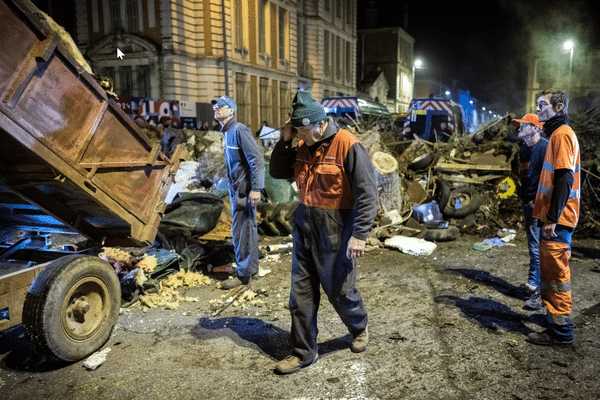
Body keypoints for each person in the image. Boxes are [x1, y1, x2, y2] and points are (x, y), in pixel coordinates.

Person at [269, 91, 378, 374]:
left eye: (303, 130)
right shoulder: (304, 145)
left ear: (319, 123)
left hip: (336, 230)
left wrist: (360, 234)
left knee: (340, 292)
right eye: (298, 131)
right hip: (305, 226)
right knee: (300, 295)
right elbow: (279, 170)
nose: (301, 136)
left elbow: (368, 194)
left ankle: (359, 326)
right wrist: (286, 139)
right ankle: (304, 352)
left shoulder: (348, 145)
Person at [527, 89, 580, 346]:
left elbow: (564, 179)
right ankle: (554, 324)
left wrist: (551, 219)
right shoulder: (559, 135)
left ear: (558, 108)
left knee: (557, 277)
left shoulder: (561, 135)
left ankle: (561, 334)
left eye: (542, 105)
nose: (537, 109)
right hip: (557, 218)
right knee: (550, 275)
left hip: (558, 221)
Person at [211, 95, 265, 289]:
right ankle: (253, 270)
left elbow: (257, 160)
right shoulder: (227, 132)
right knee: (247, 228)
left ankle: (243, 275)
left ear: (231, 111)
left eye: (221, 106)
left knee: (241, 231)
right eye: (215, 106)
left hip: (245, 190)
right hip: (237, 190)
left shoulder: (239, 130)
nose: (216, 109)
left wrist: (256, 189)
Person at [512, 114, 548, 310]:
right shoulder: (524, 149)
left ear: (535, 128)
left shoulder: (544, 148)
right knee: (533, 246)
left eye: (523, 125)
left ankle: (539, 292)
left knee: (538, 248)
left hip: (539, 205)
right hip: (528, 204)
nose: (519, 128)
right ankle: (532, 284)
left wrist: (538, 201)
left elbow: (549, 178)